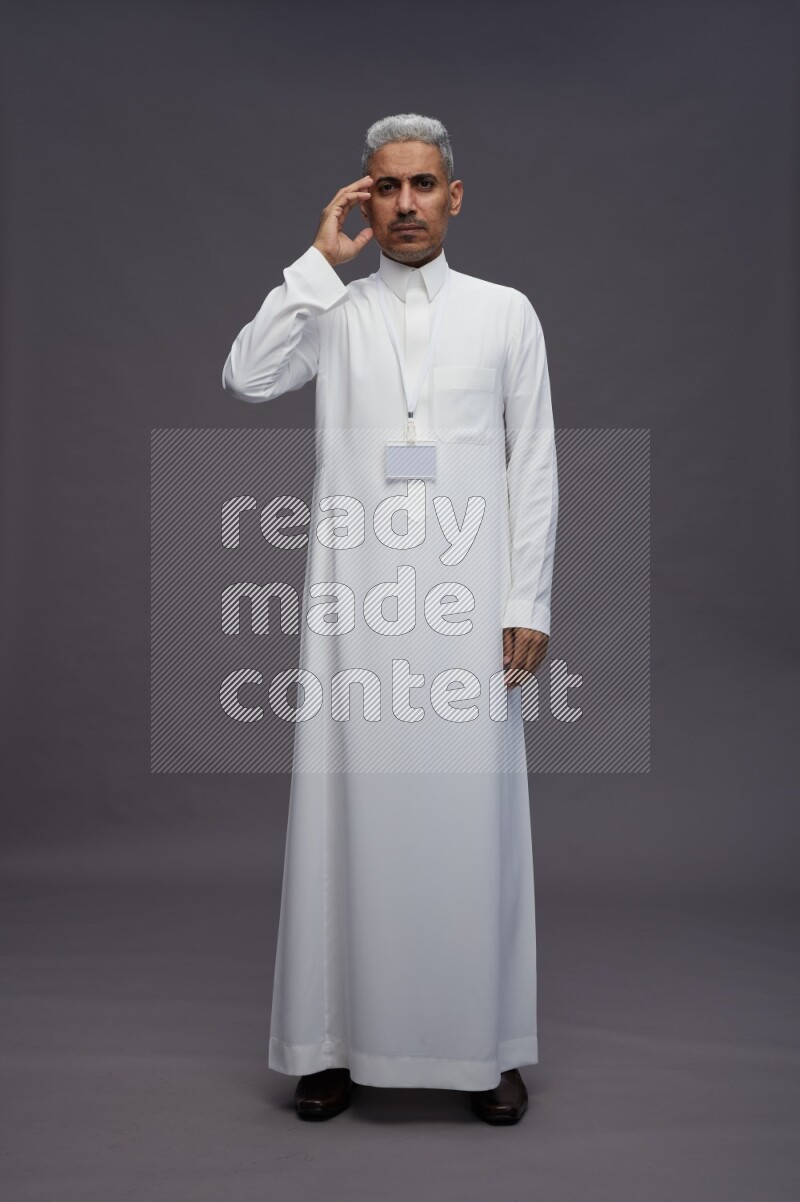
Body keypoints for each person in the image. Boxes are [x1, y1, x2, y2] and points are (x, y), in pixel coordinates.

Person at [222, 113, 558, 1125]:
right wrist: (314, 267)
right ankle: (329, 1044)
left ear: (453, 196)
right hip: (353, 601)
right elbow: (244, 375)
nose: (403, 205)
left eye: (420, 186)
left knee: (472, 818)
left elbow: (530, 462)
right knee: (344, 811)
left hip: (467, 603)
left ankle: (482, 1046)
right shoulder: (331, 310)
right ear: (361, 199)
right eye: (383, 188)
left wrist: (525, 597)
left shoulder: (506, 313)